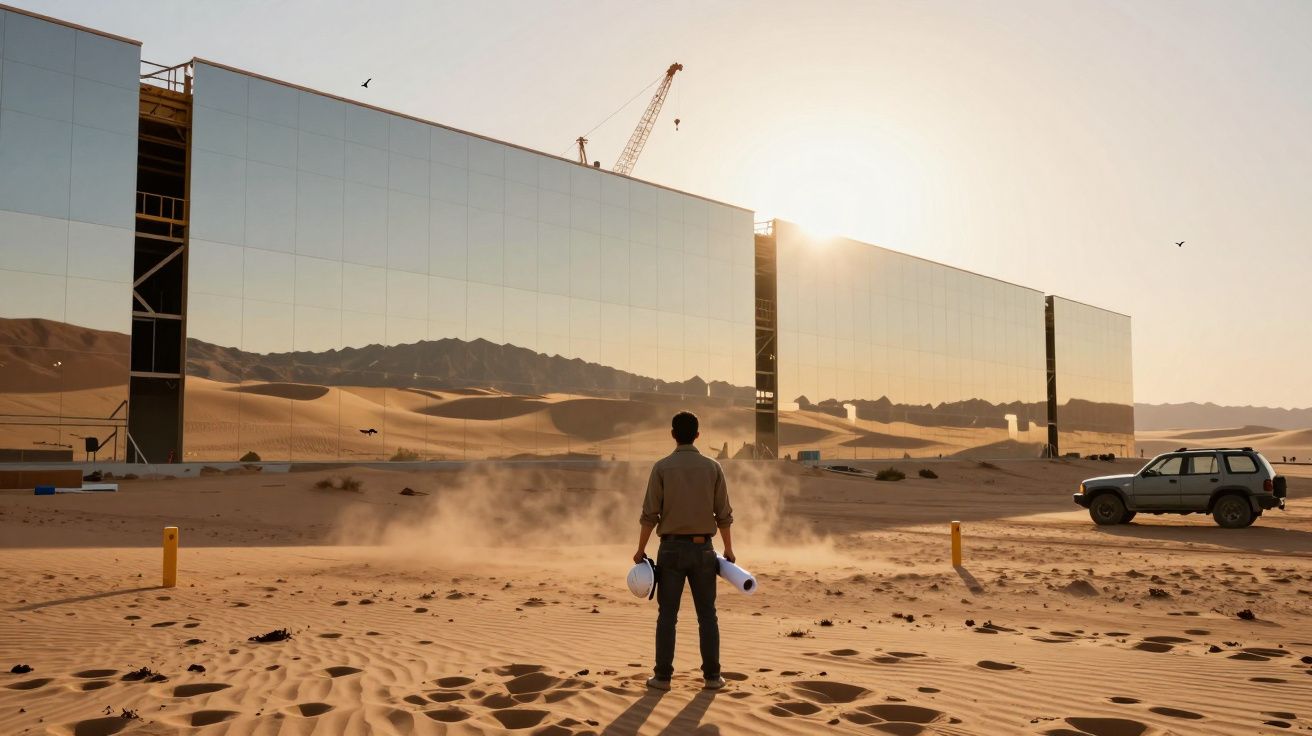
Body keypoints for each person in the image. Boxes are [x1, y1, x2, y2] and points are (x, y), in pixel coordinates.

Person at [634, 411, 735, 691]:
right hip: (704, 550)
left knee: (667, 615)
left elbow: (649, 515)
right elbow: (723, 514)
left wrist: (640, 550)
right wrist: (728, 550)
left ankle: (663, 677)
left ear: (673, 434)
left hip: (671, 550)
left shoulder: (662, 467)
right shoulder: (713, 467)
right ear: (698, 435)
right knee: (707, 615)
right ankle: (712, 677)